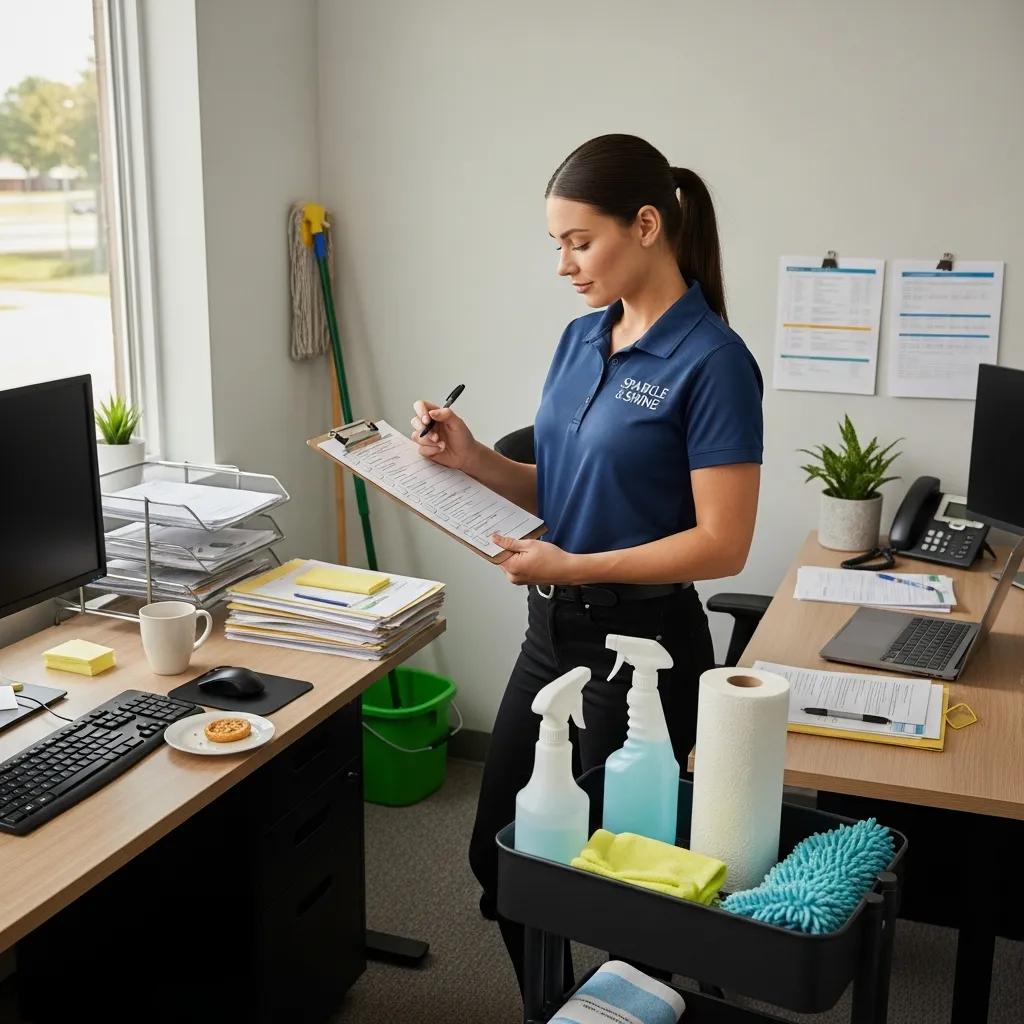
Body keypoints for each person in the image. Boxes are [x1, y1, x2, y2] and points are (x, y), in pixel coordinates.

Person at [410, 133, 763, 991]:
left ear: (646, 225)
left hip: (644, 650)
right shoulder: (579, 339)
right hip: (551, 638)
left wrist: (570, 567)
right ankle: (563, 1011)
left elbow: (724, 543)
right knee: (502, 864)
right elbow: (558, 486)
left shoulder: (715, 363)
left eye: (579, 241)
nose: (565, 263)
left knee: (619, 892)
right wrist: (472, 460)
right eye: (556, 245)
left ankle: (627, 1005)